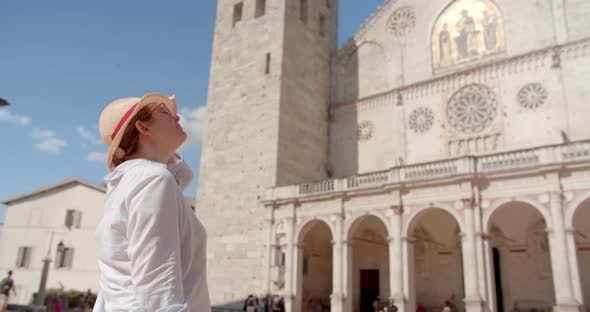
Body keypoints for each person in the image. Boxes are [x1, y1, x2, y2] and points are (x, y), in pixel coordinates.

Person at [93, 93, 210, 311]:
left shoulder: (131, 181)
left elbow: (181, 177)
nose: (177, 118)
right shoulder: (153, 179)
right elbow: (157, 283)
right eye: (165, 112)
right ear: (143, 128)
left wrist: (160, 152)